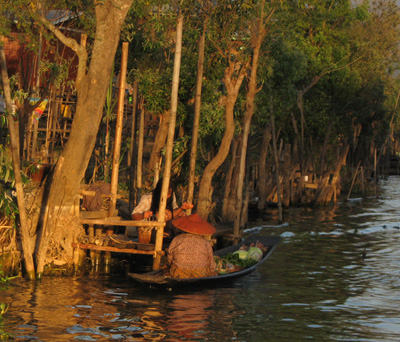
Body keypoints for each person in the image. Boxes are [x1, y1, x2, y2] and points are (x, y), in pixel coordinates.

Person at [167, 213, 217, 278]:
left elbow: (170, 257)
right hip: (200, 273)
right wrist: (212, 271)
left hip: (179, 271)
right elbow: (211, 262)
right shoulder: (205, 242)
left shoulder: (177, 239)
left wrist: (170, 266)